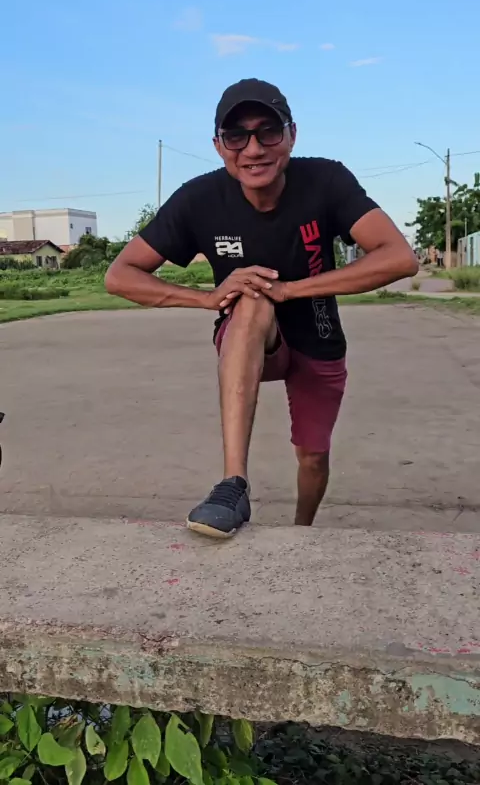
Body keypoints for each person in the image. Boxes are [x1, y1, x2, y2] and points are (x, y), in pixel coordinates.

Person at [105, 78, 418, 538]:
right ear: (219, 146)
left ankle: (302, 530)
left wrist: (290, 289)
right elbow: (120, 275)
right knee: (251, 301)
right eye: (237, 136)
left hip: (317, 334)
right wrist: (206, 298)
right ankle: (233, 484)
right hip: (248, 337)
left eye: (268, 131)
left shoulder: (326, 180)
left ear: (291, 135)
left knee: (313, 456)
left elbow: (399, 257)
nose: (253, 149)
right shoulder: (199, 199)